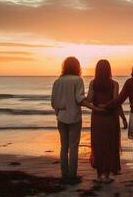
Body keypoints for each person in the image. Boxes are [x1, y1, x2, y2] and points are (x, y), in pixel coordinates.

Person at [51, 56, 103, 184]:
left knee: (64, 147)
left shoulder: (57, 81)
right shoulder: (77, 80)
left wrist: (58, 113)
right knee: (73, 147)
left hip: (61, 117)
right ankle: (73, 175)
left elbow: (53, 102)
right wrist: (94, 108)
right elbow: (80, 99)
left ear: (64, 66)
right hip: (74, 118)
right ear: (77, 67)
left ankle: (64, 174)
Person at [87, 59, 123, 183]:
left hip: (97, 118)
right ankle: (106, 176)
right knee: (109, 145)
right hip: (110, 118)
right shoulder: (114, 84)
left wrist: (96, 106)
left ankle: (98, 175)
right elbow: (116, 102)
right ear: (109, 70)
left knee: (97, 146)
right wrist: (123, 118)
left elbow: (89, 99)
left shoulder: (93, 83)